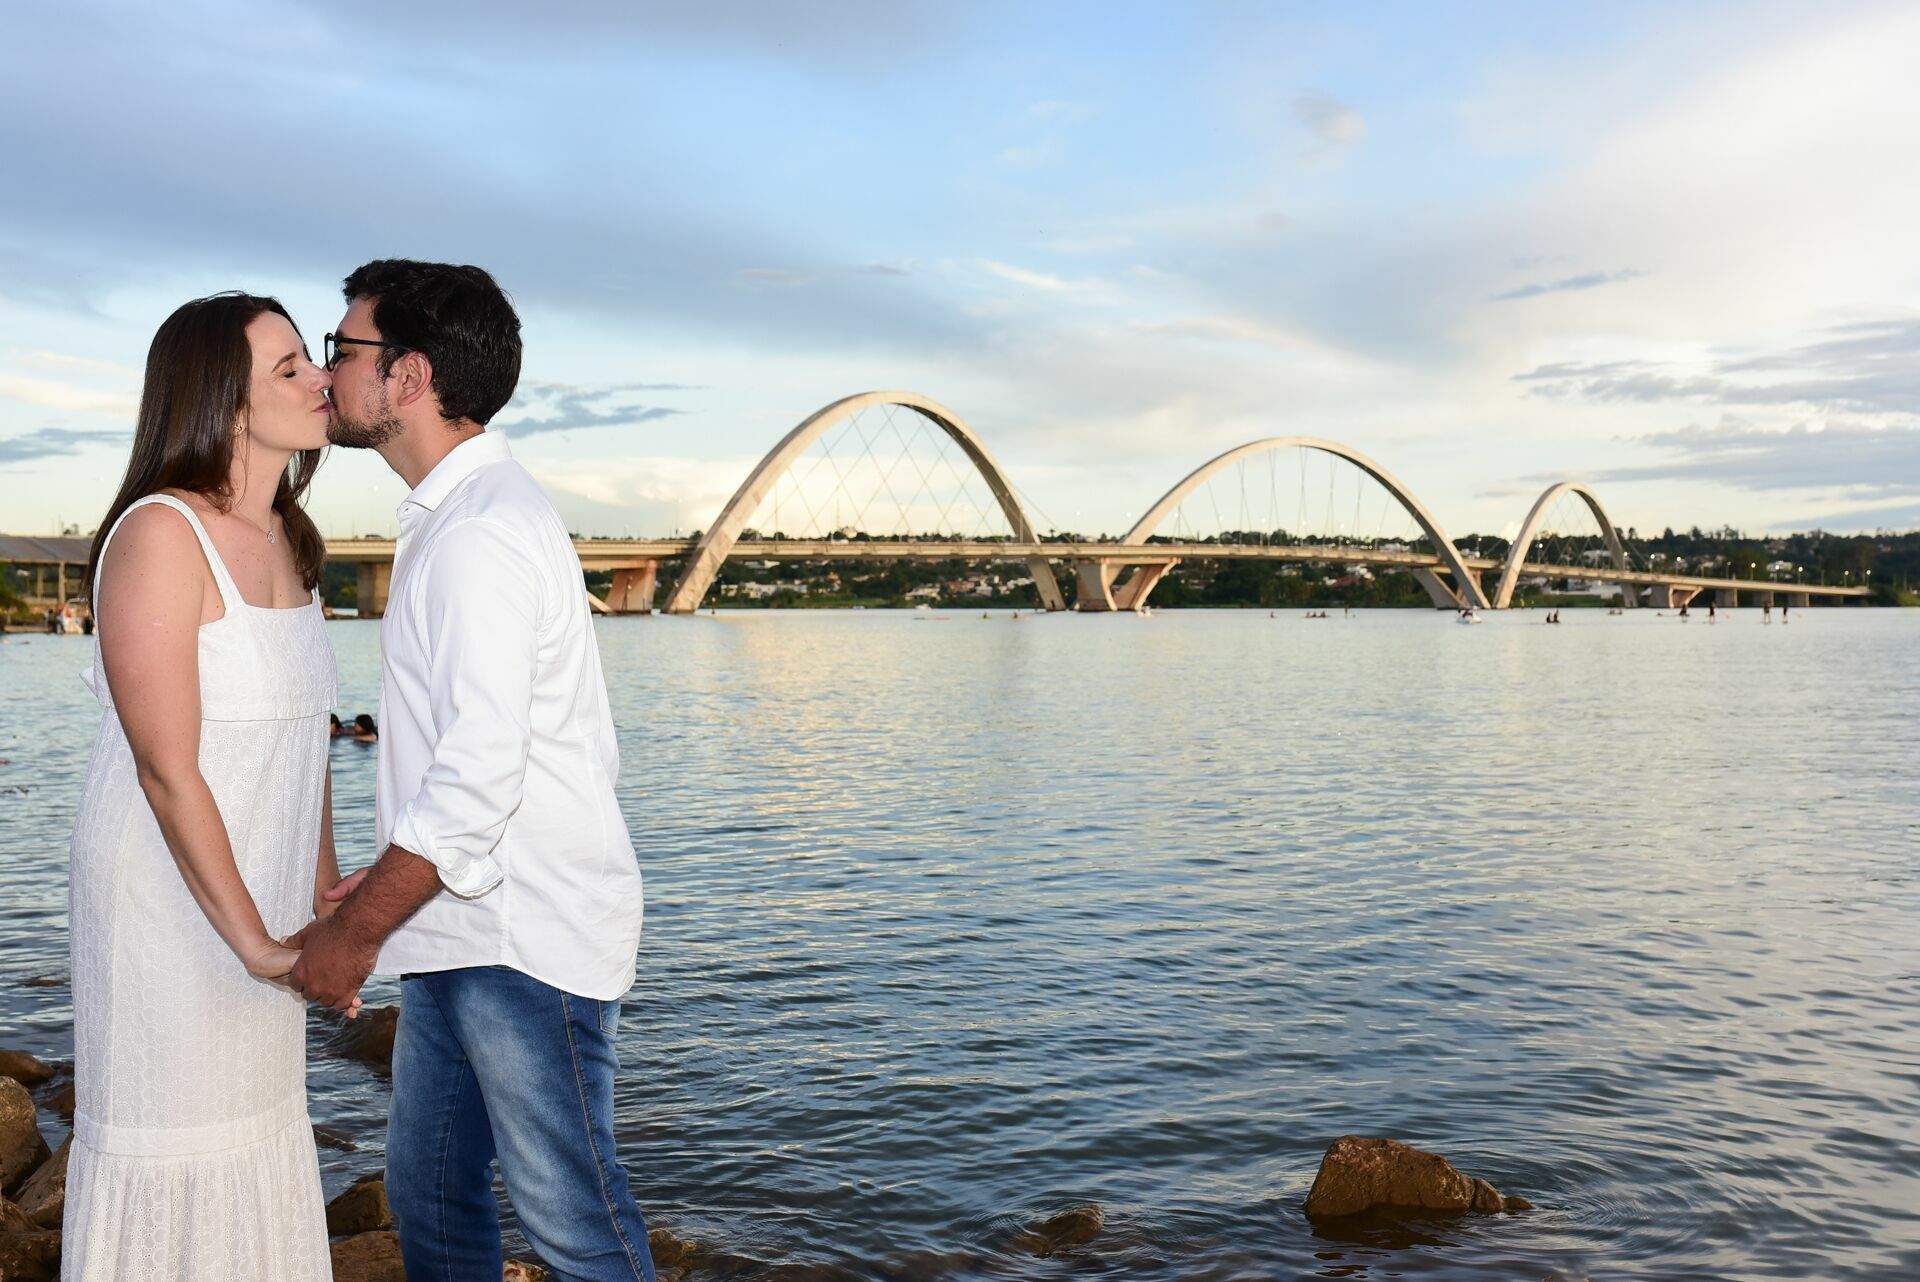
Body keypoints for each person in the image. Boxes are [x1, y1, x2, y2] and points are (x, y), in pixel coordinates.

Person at [292, 260, 654, 1281]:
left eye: (343, 348)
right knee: (432, 1198)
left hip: (522, 940)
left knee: (575, 1221)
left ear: (408, 375)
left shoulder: (480, 534)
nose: (327, 371)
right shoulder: (456, 518)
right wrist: (388, 891)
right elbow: (469, 756)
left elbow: (480, 774)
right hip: (461, 930)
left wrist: (351, 935)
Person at [65, 293, 344, 1280]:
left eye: (312, 358)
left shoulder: (293, 542)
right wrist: (255, 944)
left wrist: (324, 889)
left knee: (254, 1133)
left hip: (259, 902)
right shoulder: (160, 533)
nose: (321, 377)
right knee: (176, 1137)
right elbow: (165, 767)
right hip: (168, 910)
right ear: (222, 399)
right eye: (289, 368)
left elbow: (304, 736)